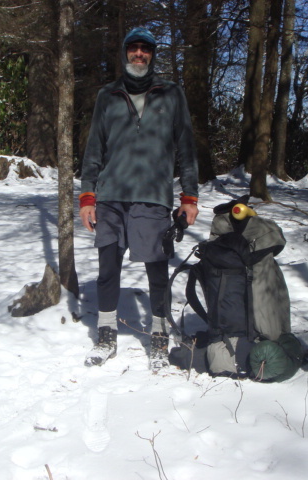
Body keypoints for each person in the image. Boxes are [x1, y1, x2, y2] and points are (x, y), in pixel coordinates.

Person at [79, 26, 199, 371]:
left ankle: (159, 338)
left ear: (152, 54)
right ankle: (106, 335)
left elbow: (187, 149)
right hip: (111, 197)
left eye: (146, 49)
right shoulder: (108, 95)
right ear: (124, 52)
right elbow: (93, 150)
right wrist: (88, 196)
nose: (139, 54)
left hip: (153, 197)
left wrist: (189, 195)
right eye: (133, 48)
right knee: (107, 270)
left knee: (157, 271)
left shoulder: (172, 94)